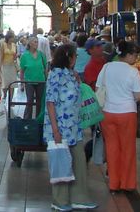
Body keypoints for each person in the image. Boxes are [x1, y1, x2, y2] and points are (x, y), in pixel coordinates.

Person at [45, 42, 99, 211]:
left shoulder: (71, 74)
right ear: (68, 57)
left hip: (74, 127)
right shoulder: (55, 75)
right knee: (61, 162)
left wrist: (77, 78)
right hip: (60, 127)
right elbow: (50, 102)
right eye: (75, 56)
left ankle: (79, 197)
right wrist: (55, 129)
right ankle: (60, 200)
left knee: (79, 161)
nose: (77, 58)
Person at [98, 40, 140, 195]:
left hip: (108, 113)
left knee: (112, 148)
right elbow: (138, 96)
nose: (136, 58)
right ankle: (127, 183)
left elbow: (98, 88)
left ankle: (113, 184)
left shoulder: (106, 68)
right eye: (135, 55)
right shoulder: (132, 72)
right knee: (127, 149)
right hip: (127, 113)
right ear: (129, 54)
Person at [19, 35, 49, 120]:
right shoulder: (25, 56)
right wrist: (22, 83)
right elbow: (22, 71)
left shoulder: (41, 55)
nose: (37, 44)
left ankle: (38, 120)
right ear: (30, 43)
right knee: (29, 101)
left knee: (40, 102)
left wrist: (47, 80)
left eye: (37, 42)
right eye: (35, 42)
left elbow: (45, 69)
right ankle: (27, 120)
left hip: (41, 81)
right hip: (29, 81)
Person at [0, 30, 20, 102]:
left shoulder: (14, 45)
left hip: (12, 66)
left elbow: (15, 54)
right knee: (5, 83)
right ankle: (5, 95)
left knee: (12, 83)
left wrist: (16, 56)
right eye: (12, 38)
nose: (13, 39)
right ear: (8, 37)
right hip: (5, 65)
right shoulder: (3, 44)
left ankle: (11, 99)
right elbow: (1, 56)